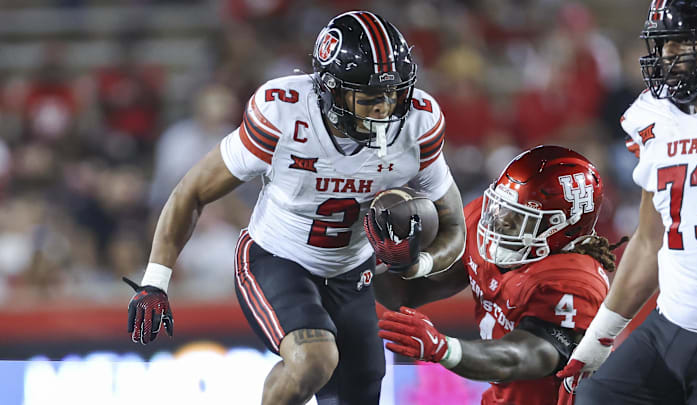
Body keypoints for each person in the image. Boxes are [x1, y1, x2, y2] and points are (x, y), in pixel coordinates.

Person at [121, 11, 466, 405]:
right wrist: (155, 280)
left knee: (361, 388)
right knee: (314, 360)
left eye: (394, 95)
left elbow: (454, 227)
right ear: (331, 91)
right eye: (370, 98)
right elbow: (191, 191)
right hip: (276, 258)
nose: (386, 110)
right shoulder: (284, 113)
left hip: (352, 273)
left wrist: (414, 264)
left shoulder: (418, 122)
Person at [557, 1, 697, 404]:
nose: (668, 57)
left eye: (682, 42)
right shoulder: (654, 116)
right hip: (670, 328)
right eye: (663, 45)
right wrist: (598, 339)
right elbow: (650, 241)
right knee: (593, 399)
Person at [374, 145, 625, 405]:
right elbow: (406, 294)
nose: (501, 221)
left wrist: (445, 348)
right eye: (502, 206)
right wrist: (381, 255)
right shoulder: (490, 217)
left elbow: (525, 355)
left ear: (561, 227)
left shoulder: (575, 279)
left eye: (520, 217)